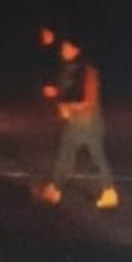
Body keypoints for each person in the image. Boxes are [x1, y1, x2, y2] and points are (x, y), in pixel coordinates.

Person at [35, 36, 119, 209]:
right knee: (79, 154)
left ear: (76, 50)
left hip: (86, 123)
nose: (62, 51)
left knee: (72, 154)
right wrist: (56, 93)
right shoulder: (72, 69)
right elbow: (71, 93)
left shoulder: (87, 71)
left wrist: (67, 107)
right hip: (81, 122)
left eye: (66, 48)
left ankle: (56, 190)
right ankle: (107, 191)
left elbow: (87, 100)